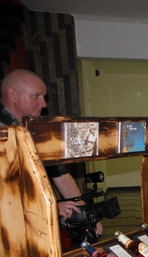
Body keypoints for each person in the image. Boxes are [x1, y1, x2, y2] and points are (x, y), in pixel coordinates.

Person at [0, 69, 102, 235]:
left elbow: (62, 177)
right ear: (13, 94)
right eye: (36, 96)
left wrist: (86, 216)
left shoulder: (38, 130)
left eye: (43, 97)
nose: (44, 104)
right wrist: (49, 207)